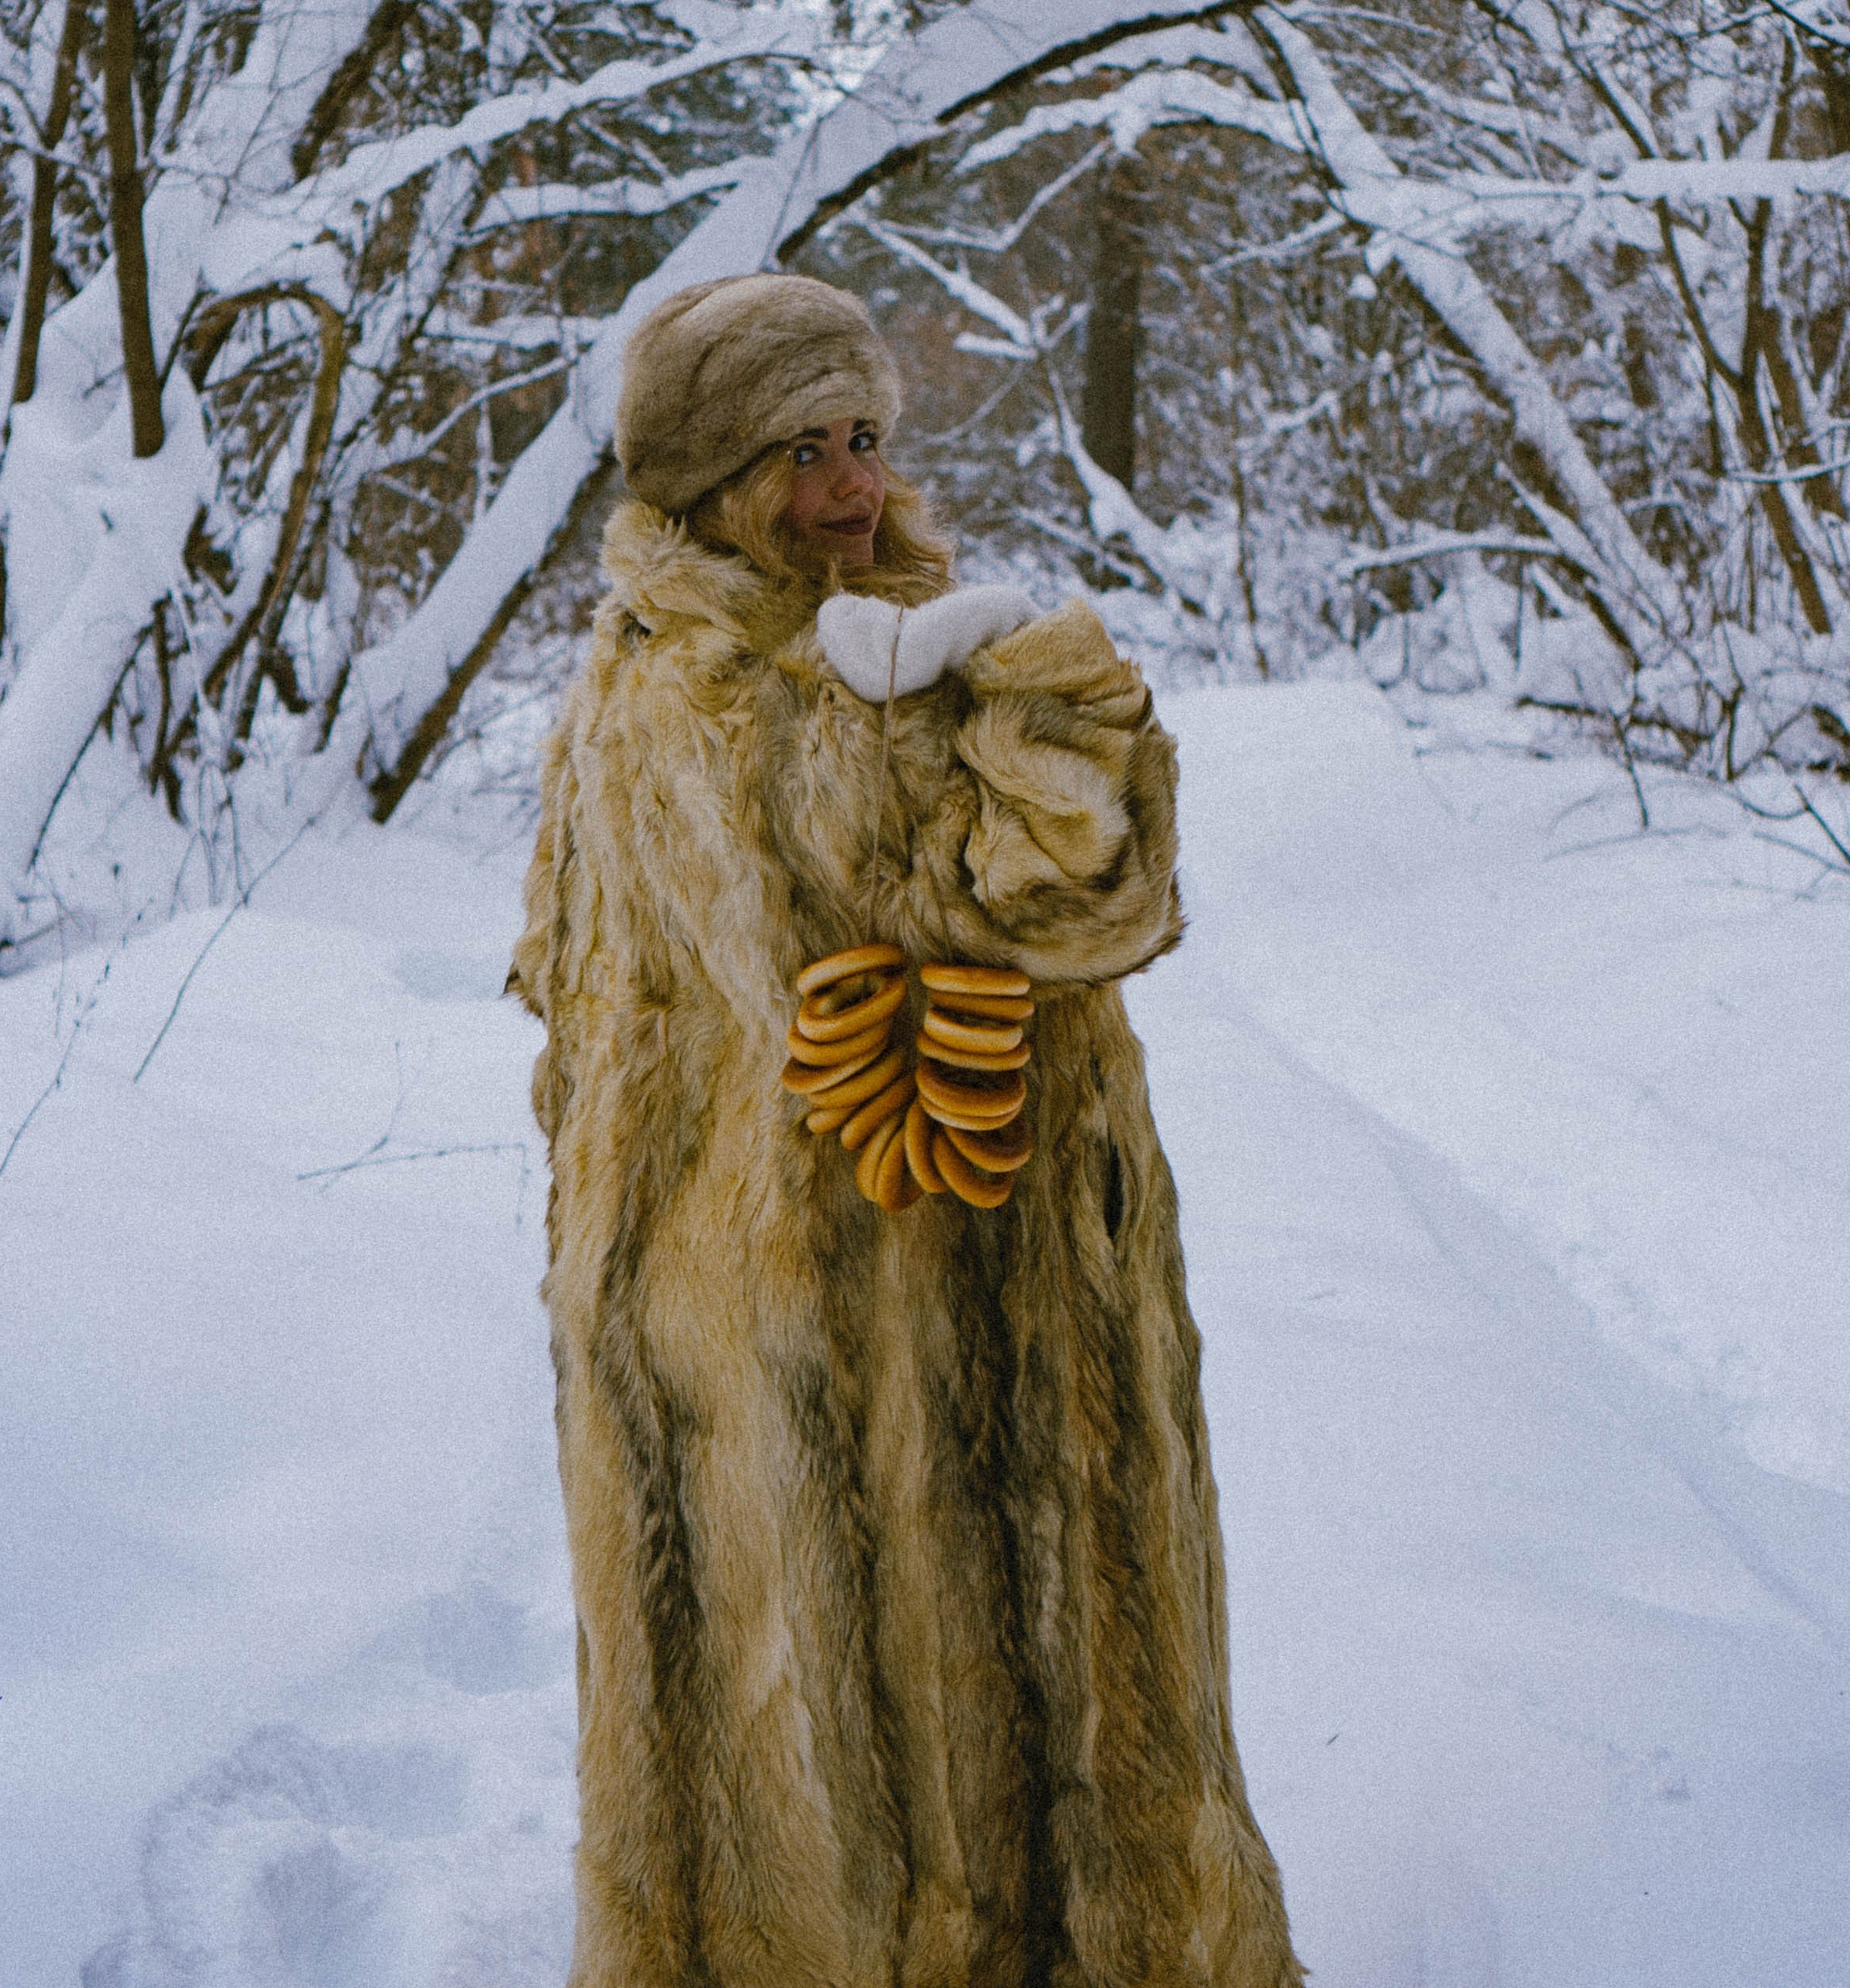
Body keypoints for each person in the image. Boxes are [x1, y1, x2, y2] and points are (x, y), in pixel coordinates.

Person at [509, 271, 1299, 1988]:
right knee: (906, 1773)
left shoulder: (740, 655)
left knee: (892, 1753)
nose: (852, 487)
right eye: (802, 453)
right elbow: (1060, 901)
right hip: (849, 1325)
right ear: (712, 477)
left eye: (864, 438)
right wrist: (1056, 695)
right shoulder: (742, 690)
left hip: (853, 1288)